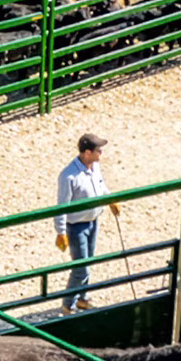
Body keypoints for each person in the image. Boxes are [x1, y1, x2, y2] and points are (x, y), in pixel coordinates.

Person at [53, 133, 118, 315]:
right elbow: (61, 206)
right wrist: (61, 231)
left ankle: (82, 298)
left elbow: (100, 186)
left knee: (88, 261)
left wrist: (109, 198)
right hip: (77, 227)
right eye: (99, 150)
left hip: (92, 221)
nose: (101, 153)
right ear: (88, 153)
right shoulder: (68, 176)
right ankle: (68, 304)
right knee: (81, 268)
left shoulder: (94, 167)